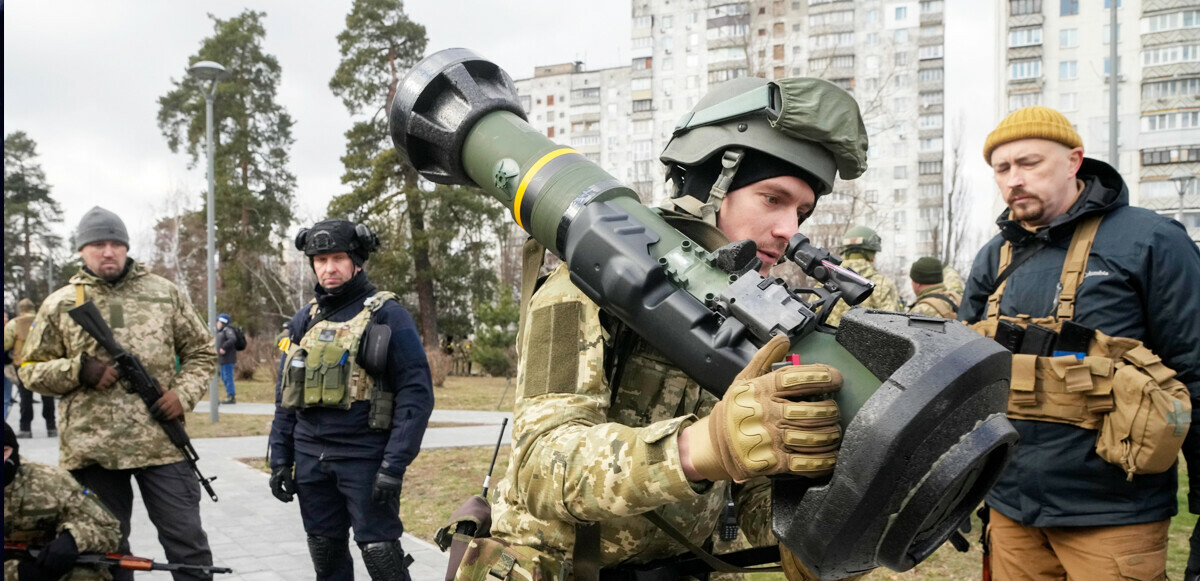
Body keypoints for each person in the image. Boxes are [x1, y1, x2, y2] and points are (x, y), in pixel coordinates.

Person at [453, 77, 869, 581]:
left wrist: (817, 526)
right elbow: (542, 468)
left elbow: (757, 493)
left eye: (801, 212)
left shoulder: (762, 317)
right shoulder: (588, 283)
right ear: (713, 183)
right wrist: (701, 448)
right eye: (772, 199)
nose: (790, 229)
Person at [960, 106, 1200, 580]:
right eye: (1002, 169)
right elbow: (964, 374)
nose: (1014, 180)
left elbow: (1195, 371)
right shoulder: (995, 255)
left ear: (1074, 162)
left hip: (1112, 516)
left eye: (1029, 163)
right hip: (1011, 510)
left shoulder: (1150, 240)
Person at [17, 206, 219, 581]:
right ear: (81, 250)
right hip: (92, 451)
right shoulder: (61, 303)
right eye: (97, 244)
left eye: (115, 243)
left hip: (162, 445)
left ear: (126, 248)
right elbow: (28, 371)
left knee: (187, 543)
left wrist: (182, 394)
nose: (107, 251)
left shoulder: (164, 293)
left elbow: (202, 351)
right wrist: (77, 370)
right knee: (105, 553)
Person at [267, 218, 434, 581]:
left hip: (365, 459)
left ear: (356, 260)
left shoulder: (387, 315)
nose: (329, 268)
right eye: (320, 260)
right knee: (326, 556)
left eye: (338, 258)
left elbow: (416, 393)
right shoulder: (303, 320)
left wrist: (394, 465)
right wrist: (279, 458)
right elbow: (286, 394)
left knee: (381, 555)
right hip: (311, 459)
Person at [4, 422, 122, 581]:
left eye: (4, 451)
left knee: (85, 575)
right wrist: (16, 573)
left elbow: (107, 527)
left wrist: (73, 540)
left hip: (45, 563)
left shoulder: (50, 480)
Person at [822, 225, 902, 326]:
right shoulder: (883, 284)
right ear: (871, 253)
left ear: (845, 250)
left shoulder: (824, 279)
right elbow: (895, 325)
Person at [5, 298, 56, 438]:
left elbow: (5, 343)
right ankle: (51, 426)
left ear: (20, 309)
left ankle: (25, 428)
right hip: (44, 363)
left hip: (23, 364)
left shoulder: (14, 323)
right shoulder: (44, 321)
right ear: (33, 307)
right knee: (47, 395)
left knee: (25, 397)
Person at [215, 313, 237, 405]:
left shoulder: (228, 330)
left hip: (228, 359)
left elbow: (232, 339)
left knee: (227, 377)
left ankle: (231, 396)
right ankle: (229, 395)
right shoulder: (221, 331)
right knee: (224, 377)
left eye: (218, 321)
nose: (217, 323)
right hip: (223, 359)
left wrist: (223, 347)